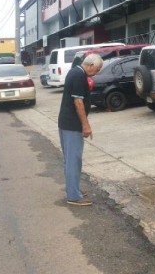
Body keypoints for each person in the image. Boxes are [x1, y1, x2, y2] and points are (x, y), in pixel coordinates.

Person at [58, 53, 103, 206]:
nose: (96, 73)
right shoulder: (79, 75)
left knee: (70, 160)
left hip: (66, 123)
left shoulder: (75, 71)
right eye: (97, 70)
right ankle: (73, 196)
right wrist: (86, 125)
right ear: (91, 65)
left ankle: (73, 189)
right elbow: (78, 102)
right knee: (73, 161)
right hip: (72, 124)